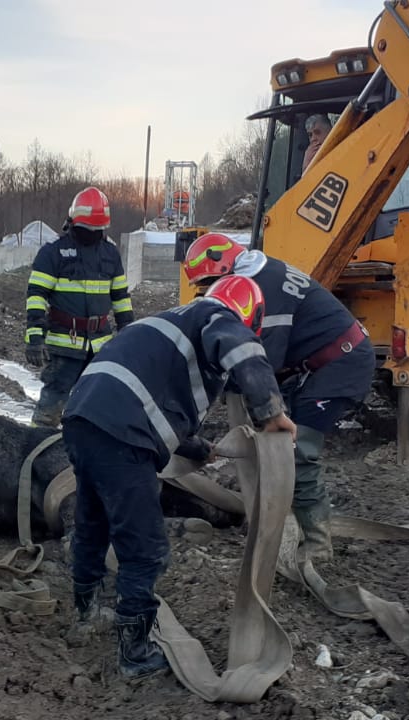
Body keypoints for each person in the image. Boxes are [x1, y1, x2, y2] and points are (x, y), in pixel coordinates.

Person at [63, 274, 296, 679]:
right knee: (145, 547)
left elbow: (155, 396)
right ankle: (135, 653)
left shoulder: (170, 323)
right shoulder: (217, 317)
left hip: (83, 419)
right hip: (122, 433)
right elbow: (240, 348)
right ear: (247, 316)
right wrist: (271, 414)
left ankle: (85, 614)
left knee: (94, 523)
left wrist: (196, 448)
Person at [182, 233, 373, 565]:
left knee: (297, 451)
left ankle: (317, 545)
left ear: (227, 269)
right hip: (315, 364)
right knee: (276, 438)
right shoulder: (260, 274)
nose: (212, 292)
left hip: (340, 365)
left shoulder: (263, 294)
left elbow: (256, 365)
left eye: (212, 283)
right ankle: (279, 522)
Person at [24, 186, 134, 428]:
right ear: (73, 223)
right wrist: (34, 337)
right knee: (48, 412)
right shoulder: (53, 253)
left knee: (100, 409)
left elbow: (121, 297)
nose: (92, 234)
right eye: (88, 229)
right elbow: (36, 295)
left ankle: (92, 457)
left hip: (101, 347)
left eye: (97, 230)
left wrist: (129, 333)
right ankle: (34, 455)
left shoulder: (110, 254)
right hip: (65, 346)